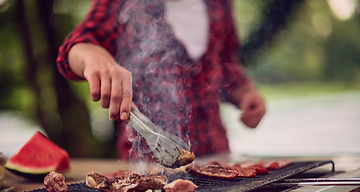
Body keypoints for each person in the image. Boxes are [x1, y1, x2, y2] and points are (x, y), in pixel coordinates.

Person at [56, 0, 266, 161]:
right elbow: (73, 50)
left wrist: (244, 92)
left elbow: (224, 61)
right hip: (147, 162)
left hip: (217, 155)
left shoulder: (219, 3)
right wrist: (91, 55)